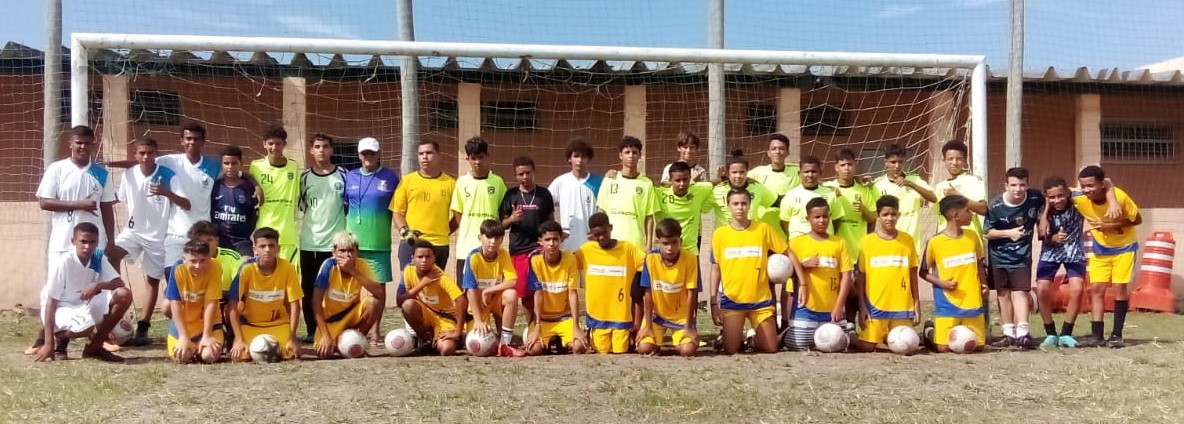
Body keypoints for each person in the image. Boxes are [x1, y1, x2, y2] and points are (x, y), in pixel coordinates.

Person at [105, 139, 184, 348]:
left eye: (150, 153)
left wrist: (166, 192)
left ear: (155, 154)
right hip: (133, 231)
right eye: (142, 153)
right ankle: (114, 298)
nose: (146, 157)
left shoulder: (167, 175)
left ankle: (143, 326)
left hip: (159, 236)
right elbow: (119, 197)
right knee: (111, 253)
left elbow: (180, 201)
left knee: (152, 280)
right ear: (136, 154)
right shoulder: (129, 174)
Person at [710, 188, 804, 354]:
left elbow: (788, 252)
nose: (740, 208)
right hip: (733, 301)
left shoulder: (763, 229)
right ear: (728, 206)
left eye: (744, 203)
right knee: (731, 350)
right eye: (736, 204)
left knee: (770, 348)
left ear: (750, 205)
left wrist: (802, 282)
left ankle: (753, 340)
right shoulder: (720, 234)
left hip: (760, 301)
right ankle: (729, 337)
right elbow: (716, 267)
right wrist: (713, 302)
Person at [33, 223, 133, 362]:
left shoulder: (98, 256)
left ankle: (94, 347)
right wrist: (47, 343)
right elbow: (51, 301)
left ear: (97, 242)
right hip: (62, 308)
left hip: (84, 304)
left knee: (124, 295)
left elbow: (119, 283)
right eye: (83, 241)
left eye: (92, 242)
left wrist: (97, 286)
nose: (87, 246)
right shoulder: (64, 261)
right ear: (73, 241)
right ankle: (58, 341)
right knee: (85, 328)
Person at [1075, 165, 1141, 348]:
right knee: (1096, 288)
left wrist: (1111, 225)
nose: (1087, 190)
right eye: (1083, 186)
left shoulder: (1119, 196)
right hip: (1100, 249)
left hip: (1124, 247)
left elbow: (1137, 219)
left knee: (1120, 288)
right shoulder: (1079, 199)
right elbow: (1057, 194)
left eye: (1091, 185)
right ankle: (1096, 334)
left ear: (1102, 184)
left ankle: (1116, 335)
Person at [342, 136, 399, 343]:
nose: (368, 156)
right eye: (364, 153)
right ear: (359, 155)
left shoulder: (391, 177)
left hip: (379, 241)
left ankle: (375, 330)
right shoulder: (350, 176)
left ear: (378, 154)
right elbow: (346, 205)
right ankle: (351, 327)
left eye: (372, 153)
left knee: (378, 288)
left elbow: (398, 208)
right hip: (353, 243)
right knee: (352, 287)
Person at [36, 126, 117, 262]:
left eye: (87, 143)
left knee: (94, 282)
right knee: (62, 283)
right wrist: (79, 205)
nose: (83, 147)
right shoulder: (57, 169)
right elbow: (44, 202)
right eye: (79, 142)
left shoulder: (102, 173)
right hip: (63, 243)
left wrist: (111, 240)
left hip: (94, 244)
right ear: (71, 144)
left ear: (93, 144)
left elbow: (107, 209)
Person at [984, 167, 1044, 349]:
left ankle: (1023, 333)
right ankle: (1008, 333)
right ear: (1006, 185)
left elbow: (1050, 199)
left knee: (1020, 292)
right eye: (1013, 185)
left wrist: (1045, 220)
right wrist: (1009, 233)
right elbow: (987, 232)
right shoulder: (995, 205)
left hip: (1021, 256)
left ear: (1027, 185)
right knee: (1003, 294)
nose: (1018, 189)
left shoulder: (1035, 197)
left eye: (1022, 185)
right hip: (999, 256)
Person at [851, 195, 920, 352]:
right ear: (878, 216)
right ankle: (850, 335)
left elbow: (912, 273)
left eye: (894, 214)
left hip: (901, 306)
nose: (890, 218)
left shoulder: (907, 240)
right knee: (867, 347)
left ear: (899, 215)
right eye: (885, 214)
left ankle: (927, 331)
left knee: (906, 345)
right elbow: (861, 276)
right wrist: (862, 306)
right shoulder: (867, 242)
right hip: (875, 306)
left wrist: (916, 304)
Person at [920, 195, 987, 353]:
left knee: (978, 346)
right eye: (968, 211)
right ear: (955, 216)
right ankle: (929, 330)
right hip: (947, 303)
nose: (972, 214)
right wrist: (941, 283)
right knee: (943, 348)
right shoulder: (935, 242)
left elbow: (979, 263)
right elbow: (922, 272)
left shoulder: (972, 236)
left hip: (972, 301)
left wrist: (984, 284)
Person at [298, 133, 348, 343]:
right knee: (308, 288)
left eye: (325, 146)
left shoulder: (344, 175)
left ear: (332, 150)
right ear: (311, 151)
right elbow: (303, 206)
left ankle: (334, 327)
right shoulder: (304, 177)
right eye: (317, 147)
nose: (321, 150)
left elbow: (347, 206)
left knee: (333, 289)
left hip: (334, 244)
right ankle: (311, 330)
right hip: (309, 242)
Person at [785, 198, 853, 351]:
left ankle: (850, 330)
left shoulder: (839, 242)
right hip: (806, 309)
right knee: (799, 346)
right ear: (807, 218)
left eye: (825, 216)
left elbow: (847, 276)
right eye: (817, 217)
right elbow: (786, 273)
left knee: (839, 345)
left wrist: (839, 306)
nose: (821, 220)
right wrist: (802, 265)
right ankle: (786, 333)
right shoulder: (796, 243)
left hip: (832, 309)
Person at [227, 227, 303, 362]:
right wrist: (238, 339)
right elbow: (232, 306)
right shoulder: (246, 269)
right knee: (242, 355)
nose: (267, 250)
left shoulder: (287, 268)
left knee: (290, 353)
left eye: (271, 246)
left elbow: (295, 305)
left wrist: (292, 337)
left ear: (278, 248)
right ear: (254, 249)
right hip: (250, 324)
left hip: (278, 323)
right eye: (262, 246)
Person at [311, 231, 384, 359]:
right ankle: (336, 341)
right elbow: (316, 302)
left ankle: (358, 340)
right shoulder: (328, 266)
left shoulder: (362, 265)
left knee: (373, 303)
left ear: (357, 251)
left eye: (351, 250)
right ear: (334, 253)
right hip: (331, 321)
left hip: (351, 316)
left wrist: (353, 270)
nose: (347, 255)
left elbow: (379, 293)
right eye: (342, 251)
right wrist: (325, 336)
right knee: (324, 353)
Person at [500, 156, 555, 325]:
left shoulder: (544, 194)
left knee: (543, 291)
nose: (525, 177)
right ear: (515, 175)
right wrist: (512, 219)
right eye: (520, 174)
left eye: (528, 173)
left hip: (540, 250)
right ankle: (531, 326)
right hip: (519, 250)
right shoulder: (511, 195)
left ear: (534, 171)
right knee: (525, 293)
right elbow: (501, 225)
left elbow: (550, 221)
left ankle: (546, 326)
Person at [579, 212, 645, 354]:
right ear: (591, 234)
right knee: (601, 351)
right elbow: (567, 263)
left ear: (611, 228)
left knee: (621, 351)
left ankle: (630, 337)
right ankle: (590, 333)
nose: (601, 237)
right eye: (597, 235)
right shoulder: (586, 250)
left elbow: (650, 263)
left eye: (604, 232)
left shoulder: (627, 249)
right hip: (598, 318)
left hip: (620, 318)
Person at [460, 220, 526, 357]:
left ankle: (505, 344)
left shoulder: (503, 254)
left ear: (502, 239)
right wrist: (478, 320)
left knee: (511, 295)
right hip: (478, 306)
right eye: (489, 237)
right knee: (478, 343)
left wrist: (489, 290)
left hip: (494, 300)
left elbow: (512, 281)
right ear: (480, 237)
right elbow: (470, 290)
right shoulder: (473, 257)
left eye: (497, 238)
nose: (493, 242)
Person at [1034, 176, 1086, 349]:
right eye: (1052, 197)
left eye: (1061, 196)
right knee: (1042, 289)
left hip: (1074, 252)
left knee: (1077, 289)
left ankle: (1066, 333)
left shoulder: (1079, 201)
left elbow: (1105, 182)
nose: (1057, 200)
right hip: (1050, 253)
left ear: (1067, 193)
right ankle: (1050, 333)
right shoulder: (1041, 209)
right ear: (1046, 197)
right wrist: (1053, 237)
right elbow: (1042, 235)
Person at [636, 219, 700, 357]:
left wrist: (689, 327)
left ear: (680, 241)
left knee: (687, 351)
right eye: (665, 244)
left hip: (681, 318)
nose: (670, 248)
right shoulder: (650, 259)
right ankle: (656, 342)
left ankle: (676, 345)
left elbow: (692, 293)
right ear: (658, 242)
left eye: (674, 243)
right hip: (657, 316)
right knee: (644, 348)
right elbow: (647, 293)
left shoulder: (690, 259)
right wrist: (647, 326)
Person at [524, 221, 588, 355]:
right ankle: (549, 341)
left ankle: (563, 341)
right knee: (534, 350)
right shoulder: (535, 261)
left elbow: (573, 293)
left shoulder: (570, 259)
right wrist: (537, 326)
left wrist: (576, 326)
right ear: (540, 241)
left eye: (555, 239)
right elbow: (538, 294)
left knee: (579, 348)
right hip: (544, 320)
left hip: (564, 318)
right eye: (547, 240)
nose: (551, 243)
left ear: (561, 240)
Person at [391, 140, 455, 272]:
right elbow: (397, 212)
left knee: (433, 287)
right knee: (408, 287)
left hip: (439, 244)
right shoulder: (407, 181)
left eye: (429, 153)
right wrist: (405, 231)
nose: (424, 156)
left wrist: (445, 231)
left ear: (439, 156)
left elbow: (458, 214)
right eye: (421, 153)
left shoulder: (451, 183)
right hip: (412, 243)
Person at [397, 240, 469, 356]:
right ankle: (427, 341)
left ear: (434, 258)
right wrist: (422, 284)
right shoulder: (408, 271)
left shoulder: (440, 277)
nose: (424, 260)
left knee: (447, 350)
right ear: (413, 258)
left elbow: (461, 299)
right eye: (420, 257)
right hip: (426, 315)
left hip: (444, 318)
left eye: (428, 257)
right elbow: (400, 301)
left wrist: (458, 331)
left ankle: (457, 338)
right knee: (408, 305)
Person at [451, 137, 507, 280]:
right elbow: (458, 214)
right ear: (467, 159)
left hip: (490, 246)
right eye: (473, 158)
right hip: (466, 247)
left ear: (488, 156)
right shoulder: (461, 182)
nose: (477, 162)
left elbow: (503, 212)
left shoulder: (498, 182)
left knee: (490, 289)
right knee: (464, 290)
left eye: (481, 157)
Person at [249, 124, 302, 270]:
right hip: (263, 233)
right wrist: (256, 184)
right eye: (270, 143)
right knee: (263, 276)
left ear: (284, 144)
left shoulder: (294, 167)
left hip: (287, 235)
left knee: (288, 279)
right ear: (264, 144)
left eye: (278, 143)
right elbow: (244, 177)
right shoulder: (256, 167)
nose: (274, 147)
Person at [163, 239, 224, 364]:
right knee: (182, 357)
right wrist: (183, 336)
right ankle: (183, 336)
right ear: (184, 259)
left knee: (209, 356)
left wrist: (207, 335)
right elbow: (175, 303)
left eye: (203, 260)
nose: (198, 266)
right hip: (186, 322)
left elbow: (211, 302)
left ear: (209, 258)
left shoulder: (215, 267)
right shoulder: (178, 268)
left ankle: (205, 342)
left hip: (207, 322)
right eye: (193, 261)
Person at [185, 220, 244, 348]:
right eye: (201, 242)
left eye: (209, 240)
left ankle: (232, 334)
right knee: (167, 306)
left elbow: (240, 286)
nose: (206, 245)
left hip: (225, 302)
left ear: (217, 240)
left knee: (237, 305)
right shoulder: (190, 262)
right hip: (199, 302)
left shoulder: (231, 257)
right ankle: (189, 334)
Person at [597, 135, 658, 250]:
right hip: (612, 243)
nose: (631, 156)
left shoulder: (647, 183)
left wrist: (649, 244)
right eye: (627, 152)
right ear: (620, 155)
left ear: (639, 156)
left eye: (635, 152)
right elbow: (602, 213)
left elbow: (649, 217)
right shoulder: (609, 180)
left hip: (637, 245)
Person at [871, 143, 936, 247]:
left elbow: (933, 198)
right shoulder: (878, 185)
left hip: (912, 242)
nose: (897, 166)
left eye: (900, 162)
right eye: (893, 162)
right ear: (886, 163)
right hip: (888, 243)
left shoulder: (915, 180)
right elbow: (873, 215)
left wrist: (910, 184)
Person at [549, 138, 603, 252]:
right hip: (567, 243)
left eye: (583, 157)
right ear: (569, 158)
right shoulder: (561, 181)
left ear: (588, 159)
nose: (579, 160)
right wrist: (555, 229)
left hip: (591, 242)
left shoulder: (599, 182)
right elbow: (545, 204)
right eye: (576, 156)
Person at [824, 148, 877, 262]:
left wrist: (864, 210)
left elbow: (873, 218)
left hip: (857, 251)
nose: (846, 168)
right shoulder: (827, 188)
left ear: (855, 165)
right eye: (842, 165)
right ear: (836, 167)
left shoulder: (864, 190)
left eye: (850, 164)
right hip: (832, 250)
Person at [712, 150, 779, 238]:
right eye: (734, 172)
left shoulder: (757, 188)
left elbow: (775, 202)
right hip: (725, 240)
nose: (738, 176)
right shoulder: (716, 191)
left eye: (742, 172)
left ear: (747, 172)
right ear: (728, 173)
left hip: (751, 238)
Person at [656, 161, 715, 256]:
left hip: (691, 253)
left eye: (685, 179)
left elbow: (713, 184)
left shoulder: (699, 190)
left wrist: (723, 177)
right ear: (670, 180)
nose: (682, 184)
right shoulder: (659, 194)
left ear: (690, 178)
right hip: (667, 253)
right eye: (677, 180)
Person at [210, 145, 258, 256]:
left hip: (242, 241)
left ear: (241, 162)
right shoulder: (214, 186)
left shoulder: (250, 187)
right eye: (226, 163)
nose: (230, 167)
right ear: (221, 164)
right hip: (218, 241)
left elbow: (254, 215)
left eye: (234, 163)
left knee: (246, 266)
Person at [932, 140, 987, 236]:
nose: (954, 162)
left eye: (959, 159)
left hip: (968, 238)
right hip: (945, 240)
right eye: (950, 159)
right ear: (944, 160)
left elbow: (983, 209)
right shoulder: (939, 186)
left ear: (965, 161)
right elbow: (940, 218)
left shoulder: (973, 180)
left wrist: (958, 196)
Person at [779, 155, 841, 239]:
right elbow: (784, 221)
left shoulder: (831, 194)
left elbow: (836, 220)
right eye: (806, 172)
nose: (810, 175)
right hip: (799, 246)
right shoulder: (790, 195)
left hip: (825, 245)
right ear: (799, 173)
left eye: (814, 171)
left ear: (820, 173)